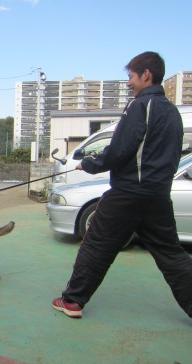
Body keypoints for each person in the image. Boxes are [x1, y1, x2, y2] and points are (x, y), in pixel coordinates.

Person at [52, 51, 192, 319]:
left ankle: (72, 301)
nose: (128, 82)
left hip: (128, 194)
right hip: (158, 196)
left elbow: (119, 150)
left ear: (146, 75)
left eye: (130, 76)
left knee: (96, 246)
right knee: (172, 256)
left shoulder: (139, 106)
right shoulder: (174, 114)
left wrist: (89, 163)